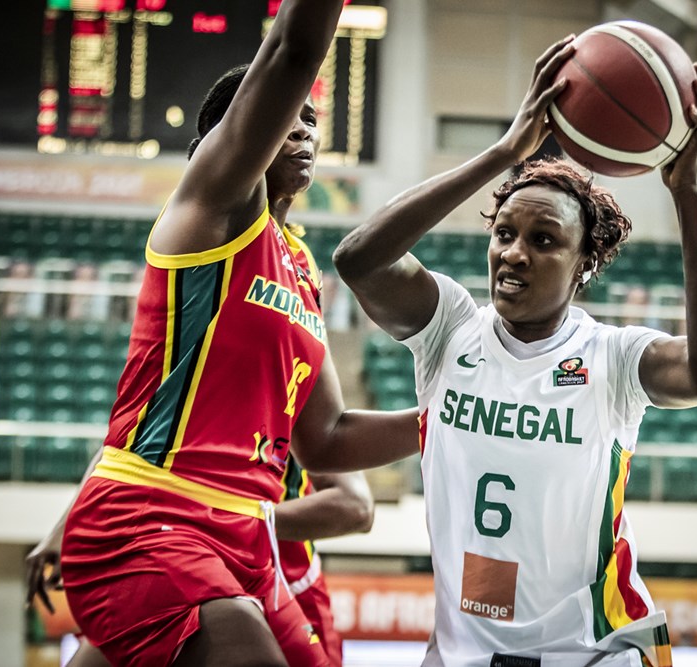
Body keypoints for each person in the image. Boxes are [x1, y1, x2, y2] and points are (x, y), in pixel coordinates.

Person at [333, 36, 697, 666]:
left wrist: (687, 197)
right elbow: (359, 259)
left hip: (599, 650)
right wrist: (503, 154)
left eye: (544, 240)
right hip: (466, 652)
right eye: (504, 233)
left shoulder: (614, 358)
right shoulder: (450, 331)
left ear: (583, 268)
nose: (514, 252)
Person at [51, 2, 420, 665]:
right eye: (290, 118)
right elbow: (291, 56)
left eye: (313, 121)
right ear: (235, 137)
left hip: (244, 534)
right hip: (147, 515)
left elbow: (328, 438)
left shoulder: (301, 269)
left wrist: (447, 419)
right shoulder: (211, 215)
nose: (304, 128)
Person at [27, 460, 374, 667]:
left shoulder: (290, 380)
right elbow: (124, 445)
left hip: (284, 583)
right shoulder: (190, 368)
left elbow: (357, 506)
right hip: (183, 557)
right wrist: (63, 527)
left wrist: (229, 520)